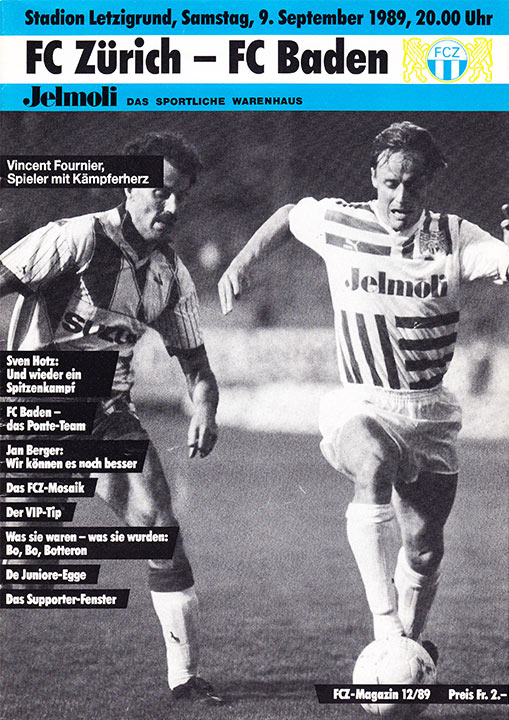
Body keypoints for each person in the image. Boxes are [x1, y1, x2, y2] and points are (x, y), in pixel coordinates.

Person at [218, 121, 509, 664]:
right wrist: (241, 262)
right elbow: (289, 214)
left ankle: (407, 650)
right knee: (371, 461)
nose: (401, 196)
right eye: (391, 182)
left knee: (424, 548)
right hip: (363, 400)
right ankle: (386, 627)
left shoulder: (454, 236)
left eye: (414, 185)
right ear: (373, 175)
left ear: (429, 183)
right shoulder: (340, 220)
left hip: (430, 412)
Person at [0, 131, 225, 704]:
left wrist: (205, 405)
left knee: (158, 521)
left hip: (107, 411)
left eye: (180, 196)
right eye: (160, 191)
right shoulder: (76, 238)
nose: (170, 207)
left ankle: (185, 678)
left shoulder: (171, 275)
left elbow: (198, 368)